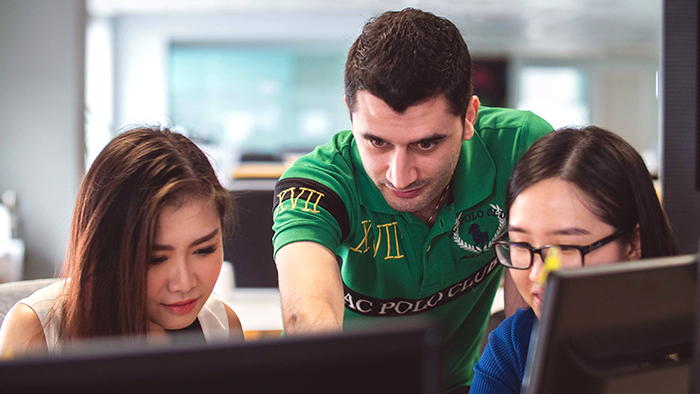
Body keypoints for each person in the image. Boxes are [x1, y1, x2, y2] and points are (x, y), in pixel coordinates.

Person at [272, 8, 552, 391]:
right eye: (376, 142)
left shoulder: (520, 146)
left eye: (426, 143)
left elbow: (530, 302)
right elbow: (308, 316)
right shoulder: (316, 183)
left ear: (469, 116)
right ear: (350, 115)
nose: (399, 175)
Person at [470, 126, 681, 393]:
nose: (537, 274)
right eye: (521, 244)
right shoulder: (515, 344)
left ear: (633, 243)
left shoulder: (684, 344)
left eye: (565, 247)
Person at [0, 127, 243, 356]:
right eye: (156, 259)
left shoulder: (221, 328)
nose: (184, 283)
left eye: (203, 250)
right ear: (105, 253)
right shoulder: (34, 334)